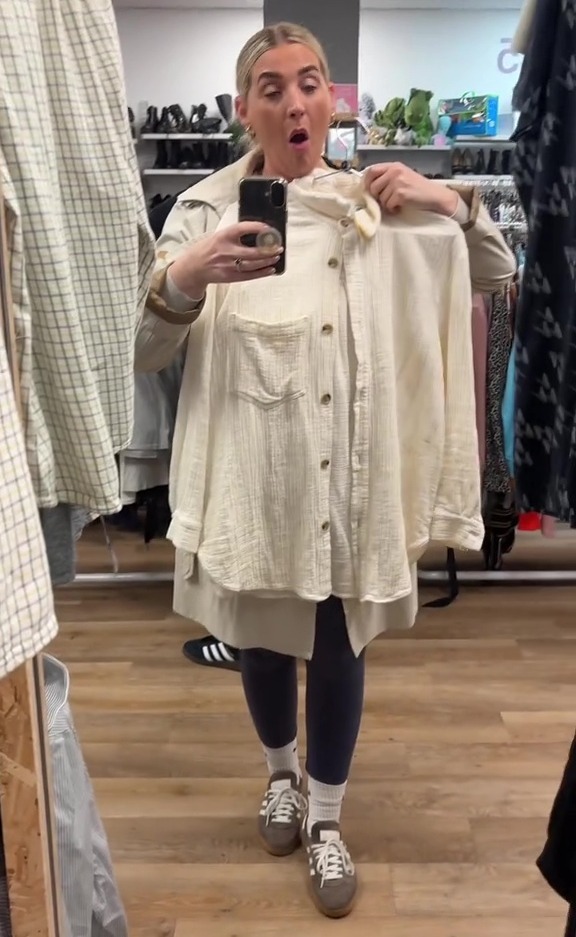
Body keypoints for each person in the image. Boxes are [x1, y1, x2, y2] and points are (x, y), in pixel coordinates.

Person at [135, 22, 516, 918]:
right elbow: (147, 346)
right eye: (272, 86)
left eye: (310, 82)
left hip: (351, 470)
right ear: (244, 109)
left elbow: (493, 274)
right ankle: (279, 777)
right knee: (264, 638)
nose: (295, 101)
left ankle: (329, 817)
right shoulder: (201, 208)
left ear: (331, 97)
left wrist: (452, 203)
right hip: (255, 471)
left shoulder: (377, 203)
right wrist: (188, 276)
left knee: (341, 637)